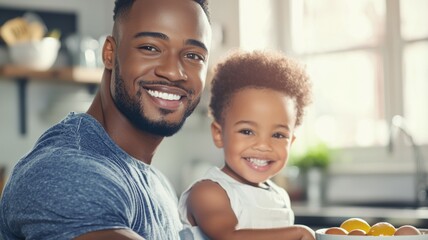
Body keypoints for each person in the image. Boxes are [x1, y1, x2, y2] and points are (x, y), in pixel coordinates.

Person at [0, 0, 211, 239]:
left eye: (193, 55)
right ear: (110, 53)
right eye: (150, 48)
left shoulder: (155, 181)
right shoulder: (70, 172)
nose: (174, 72)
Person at [178, 50, 315, 240]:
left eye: (278, 134)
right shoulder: (208, 192)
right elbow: (228, 237)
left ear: (291, 142)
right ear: (219, 134)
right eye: (247, 131)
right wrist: (298, 232)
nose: (263, 145)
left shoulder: (279, 197)